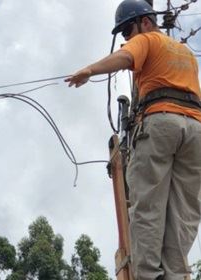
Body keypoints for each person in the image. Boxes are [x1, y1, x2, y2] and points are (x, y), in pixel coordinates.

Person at [65, 0, 201, 279]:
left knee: (148, 205)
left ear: (147, 22)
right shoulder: (185, 53)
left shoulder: (148, 39)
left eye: (128, 30)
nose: (127, 38)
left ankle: (148, 275)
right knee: (184, 211)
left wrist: (90, 70)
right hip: (196, 129)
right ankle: (176, 275)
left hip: (161, 122)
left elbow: (126, 58)